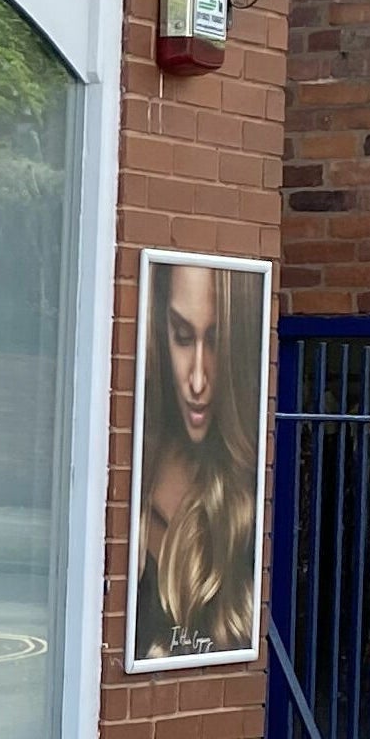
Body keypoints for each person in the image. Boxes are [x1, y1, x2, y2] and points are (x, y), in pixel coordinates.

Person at [133, 260, 261, 661]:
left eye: (217, 342)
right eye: (183, 337)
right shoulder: (131, 473)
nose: (198, 380)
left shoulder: (245, 494)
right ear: (159, 333)